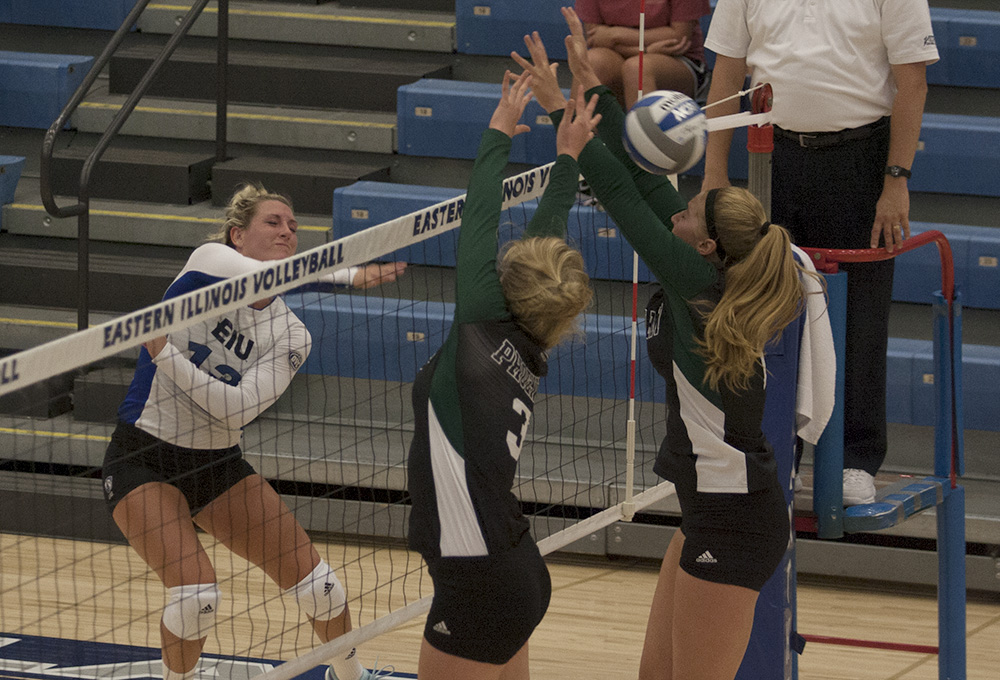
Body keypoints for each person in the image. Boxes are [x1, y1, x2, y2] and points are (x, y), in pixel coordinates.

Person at [515, 9, 824, 678]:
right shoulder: (709, 265)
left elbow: (626, 199)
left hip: (735, 525)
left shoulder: (698, 285)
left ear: (705, 243)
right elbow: (647, 182)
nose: (676, 210)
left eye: (686, 214)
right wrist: (588, 88)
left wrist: (554, 115)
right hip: (707, 515)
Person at [101, 184, 405, 680]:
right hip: (143, 455)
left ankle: (350, 676)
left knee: (318, 583)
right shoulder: (207, 263)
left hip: (217, 461)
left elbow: (238, 411)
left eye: (292, 226)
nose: (287, 230)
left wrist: (165, 354)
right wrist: (350, 275)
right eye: (273, 222)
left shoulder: (291, 334)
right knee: (197, 592)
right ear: (237, 235)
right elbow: (266, 278)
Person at [700, 0, 940, 505]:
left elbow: (911, 81)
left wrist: (896, 180)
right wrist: (714, 174)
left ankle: (856, 457)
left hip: (862, 158)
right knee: (765, 309)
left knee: (861, 315)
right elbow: (726, 71)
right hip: (772, 157)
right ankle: (772, 453)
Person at [405, 70, 597, 680]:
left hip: (480, 579)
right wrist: (565, 158)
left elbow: (480, 218)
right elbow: (544, 242)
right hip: (507, 566)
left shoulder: (481, 328)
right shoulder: (531, 336)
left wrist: (497, 135)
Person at [574, 0, 712, 109]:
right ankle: (579, 142)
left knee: (637, 68)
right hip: (624, 54)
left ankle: (643, 143)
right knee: (591, 62)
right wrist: (647, 50)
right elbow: (596, 38)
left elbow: (678, 37)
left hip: (678, 60)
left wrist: (615, 34)